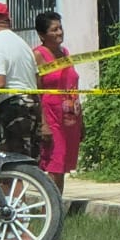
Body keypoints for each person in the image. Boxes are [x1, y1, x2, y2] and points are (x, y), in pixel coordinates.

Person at [0, 2, 41, 157]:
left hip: (12, 108)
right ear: (8, 20)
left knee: (9, 163)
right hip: (32, 104)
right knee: (25, 160)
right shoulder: (22, 43)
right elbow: (38, 80)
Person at [32, 11, 83, 197]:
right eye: (54, 30)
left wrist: (81, 120)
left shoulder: (66, 54)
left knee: (62, 166)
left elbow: (73, 86)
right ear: (42, 35)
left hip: (70, 117)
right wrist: (43, 123)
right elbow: (35, 92)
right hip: (51, 118)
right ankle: (53, 207)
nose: (60, 32)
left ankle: (56, 205)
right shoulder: (38, 56)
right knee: (55, 163)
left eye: (60, 28)